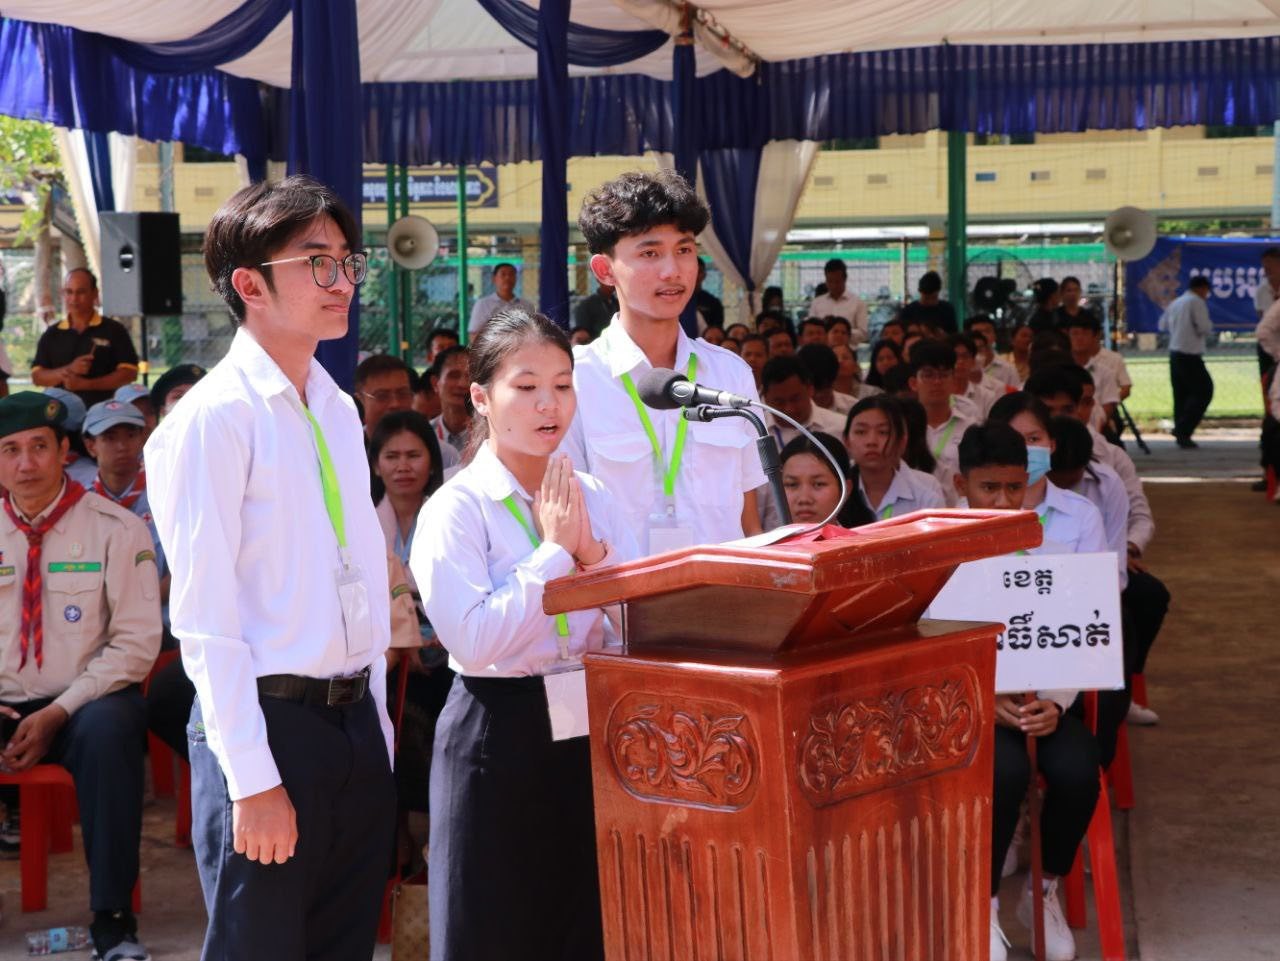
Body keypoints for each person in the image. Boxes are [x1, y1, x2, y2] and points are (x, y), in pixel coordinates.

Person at [144, 175, 396, 961]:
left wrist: (379, 734)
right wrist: (251, 779)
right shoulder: (213, 418)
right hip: (266, 725)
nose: (342, 280)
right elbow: (205, 619)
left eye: (348, 261)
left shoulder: (336, 406)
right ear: (250, 285)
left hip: (352, 725)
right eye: (317, 262)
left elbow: (361, 575)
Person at [411, 308, 636, 961]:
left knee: (582, 923)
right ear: (481, 397)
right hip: (495, 731)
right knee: (493, 928)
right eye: (527, 386)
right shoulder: (457, 508)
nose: (549, 404)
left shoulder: (593, 493)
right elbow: (474, 639)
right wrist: (555, 554)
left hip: (588, 721)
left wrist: (593, 554)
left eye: (563, 385)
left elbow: (637, 623)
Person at [0, 391, 161, 961]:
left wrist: (58, 710)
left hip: (83, 703)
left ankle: (113, 921)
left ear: (65, 452)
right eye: (10, 450)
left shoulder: (116, 529)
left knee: (112, 732)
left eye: (39, 447)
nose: (26, 463)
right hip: (5, 702)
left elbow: (137, 644)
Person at [952, 421, 1101, 961]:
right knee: (1004, 773)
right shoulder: (937, 558)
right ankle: (986, 903)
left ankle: (1043, 892)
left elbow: (1077, 641)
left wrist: (1055, 703)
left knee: (1079, 771)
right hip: (969, 712)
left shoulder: (1053, 555)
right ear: (961, 484)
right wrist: (981, 700)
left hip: (1042, 706)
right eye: (988, 488)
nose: (1002, 500)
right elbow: (924, 649)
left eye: (1014, 488)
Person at [564, 170, 765, 552]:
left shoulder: (730, 374)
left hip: (723, 588)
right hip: (619, 590)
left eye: (684, 250)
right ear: (605, 270)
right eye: (650, 253)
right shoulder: (575, 380)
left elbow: (748, 520)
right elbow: (568, 527)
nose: (672, 271)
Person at [83, 400, 167, 593]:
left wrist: (146, 601)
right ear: (90, 446)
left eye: (130, 435)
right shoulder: (81, 504)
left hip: (161, 608)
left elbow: (187, 562)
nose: (122, 446)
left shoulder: (164, 493)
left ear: (143, 439)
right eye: (110, 438)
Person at [31, 268, 140, 406]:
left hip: (104, 412)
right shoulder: (51, 334)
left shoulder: (114, 330)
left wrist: (87, 384)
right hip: (60, 413)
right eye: (69, 292)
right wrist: (70, 369)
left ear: (95, 293)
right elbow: (37, 377)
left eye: (81, 292)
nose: (74, 299)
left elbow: (129, 373)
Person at [844, 395, 945, 521]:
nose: (871, 441)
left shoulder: (925, 497)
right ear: (846, 441)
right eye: (861, 432)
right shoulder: (836, 492)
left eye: (883, 432)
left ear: (902, 441)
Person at [907, 339, 977, 503]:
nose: (937, 382)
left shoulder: (971, 429)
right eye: (928, 375)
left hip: (958, 512)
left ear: (953, 381)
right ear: (913, 383)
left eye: (944, 375)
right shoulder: (904, 428)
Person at [1157, 275, 1214, 448]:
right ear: (1202, 288)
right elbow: (1204, 327)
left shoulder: (1177, 302)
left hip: (1175, 353)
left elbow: (1162, 325)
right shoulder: (1196, 302)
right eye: (1206, 291)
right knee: (1204, 391)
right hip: (1189, 353)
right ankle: (1183, 428)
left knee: (1181, 394)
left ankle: (1182, 433)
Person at [779, 431, 873, 527]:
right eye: (792, 484)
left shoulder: (867, 537)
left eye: (819, 484)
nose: (804, 499)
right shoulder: (770, 538)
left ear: (846, 489)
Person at [761, 355, 847, 448]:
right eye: (779, 402)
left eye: (795, 399)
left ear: (810, 389)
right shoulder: (754, 431)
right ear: (765, 398)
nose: (789, 409)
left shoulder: (841, 427)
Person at [807, 259, 869, 345]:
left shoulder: (858, 303)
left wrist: (842, 332)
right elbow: (810, 329)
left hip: (848, 350)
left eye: (837, 281)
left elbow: (863, 334)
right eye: (830, 281)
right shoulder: (817, 303)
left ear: (845, 279)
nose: (833, 285)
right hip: (823, 350)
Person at [354, 353, 416, 436]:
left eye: (403, 394)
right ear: (360, 402)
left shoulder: (427, 441)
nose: (395, 404)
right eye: (382, 396)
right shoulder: (347, 443)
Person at [469, 262, 534, 339]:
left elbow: (533, 332)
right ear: (494, 279)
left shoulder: (527, 305)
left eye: (511, 274)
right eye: (503, 274)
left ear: (516, 278)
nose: (507, 278)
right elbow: (474, 334)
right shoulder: (483, 304)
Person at [430, 344, 473, 456]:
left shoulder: (491, 434)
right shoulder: (424, 434)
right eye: (454, 376)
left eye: (469, 376)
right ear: (435, 383)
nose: (462, 384)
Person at [797, 342, 856, 415]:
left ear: (834, 380)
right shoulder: (792, 412)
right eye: (814, 390)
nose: (819, 396)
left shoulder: (853, 407)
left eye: (824, 389)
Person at [899, 270, 958, 334]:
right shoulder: (908, 311)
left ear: (938, 291)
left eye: (933, 298)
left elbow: (954, 335)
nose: (930, 302)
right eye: (926, 298)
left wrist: (943, 335)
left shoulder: (947, 309)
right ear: (920, 292)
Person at [693, 258, 725, 331]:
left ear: (704, 275)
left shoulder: (713, 302)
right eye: (691, 271)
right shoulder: (674, 299)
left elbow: (716, 331)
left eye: (699, 271)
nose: (695, 275)